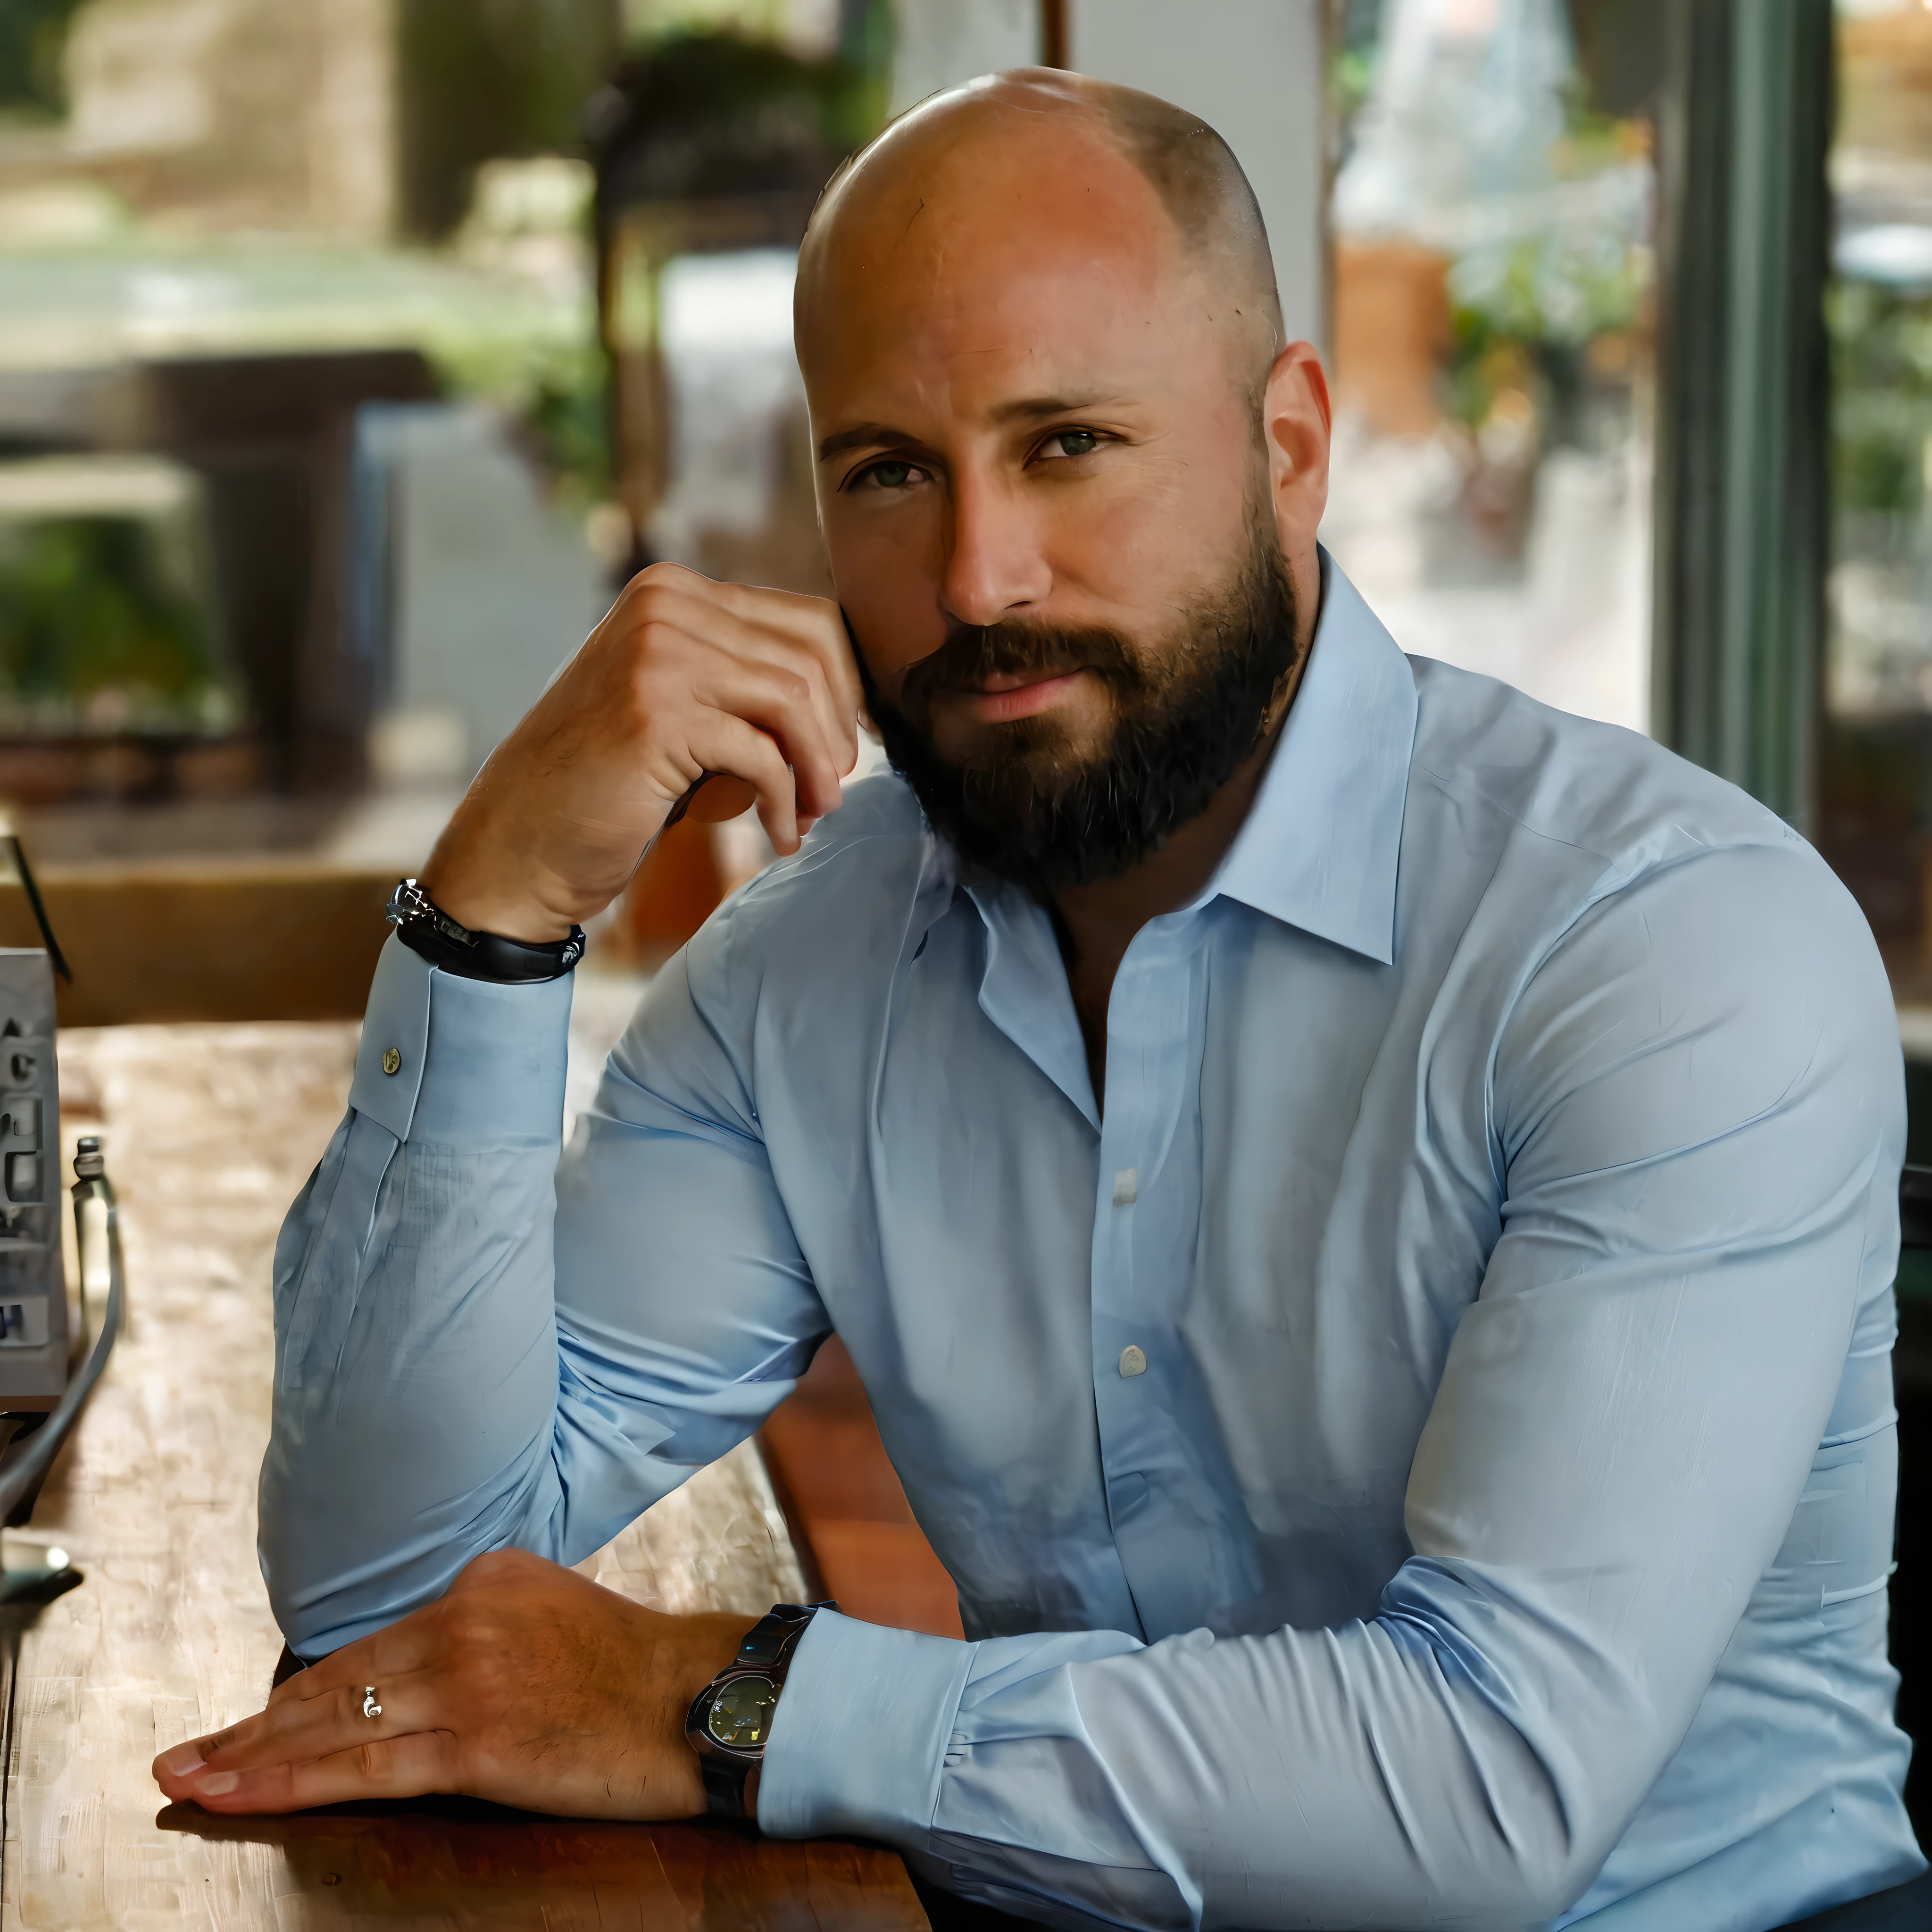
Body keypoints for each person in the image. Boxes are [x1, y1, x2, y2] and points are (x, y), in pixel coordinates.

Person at [153, 70, 1924, 1931]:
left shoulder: (1660, 943)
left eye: (1067, 443)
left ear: (1290, 443)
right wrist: (494, 910)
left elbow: (1485, 1788)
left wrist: (722, 1693)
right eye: (891, 473)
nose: (978, 579)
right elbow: (381, 1605)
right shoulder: (808, 972)